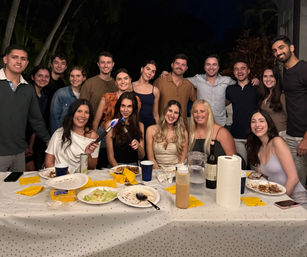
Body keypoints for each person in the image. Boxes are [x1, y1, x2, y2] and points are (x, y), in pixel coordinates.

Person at [0, 45, 50, 172]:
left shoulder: (28, 89)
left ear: (27, 63)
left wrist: (48, 140)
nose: (19, 61)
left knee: (16, 190)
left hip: (19, 153)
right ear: (5, 59)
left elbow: (36, 119)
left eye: (23, 59)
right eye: (14, 57)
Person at [271, 35, 307, 188]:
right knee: (296, 184)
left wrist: (306, 138)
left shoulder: (304, 69)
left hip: (304, 137)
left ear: (291, 48)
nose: (278, 52)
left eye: (281, 48)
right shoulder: (285, 72)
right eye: (274, 50)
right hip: (292, 135)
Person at [246, 110, 306, 196]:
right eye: (253, 122)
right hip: (274, 194)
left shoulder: (277, 142)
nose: (257, 125)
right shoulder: (258, 148)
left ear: (269, 124)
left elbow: (294, 179)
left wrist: (280, 199)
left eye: (261, 121)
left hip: (294, 197)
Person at [45, 99, 100, 173]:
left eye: (86, 112)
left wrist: (87, 154)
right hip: (58, 176)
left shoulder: (93, 137)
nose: (83, 115)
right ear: (72, 113)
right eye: (79, 111)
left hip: (80, 179)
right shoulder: (59, 133)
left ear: (89, 116)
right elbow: (48, 162)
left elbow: (92, 168)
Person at [226, 60, 258, 164]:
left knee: (255, 167)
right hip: (237, 136)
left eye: (243, 68)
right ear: (234, 72)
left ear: (248, 71)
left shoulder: (257, 87)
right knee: (241, 166)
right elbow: (221, 104)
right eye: (236, 69)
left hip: (255, 135)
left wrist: (259, 80)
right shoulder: (230, 89)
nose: (239, 71)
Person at [153, 54, 196, 128]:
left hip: (181, 128)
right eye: (177, 63)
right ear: (172, 65)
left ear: (186, 68)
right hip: (162, 127)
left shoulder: (188, 85)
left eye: (183, 65)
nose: (179, 66)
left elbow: (198, 101)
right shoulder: (160, 81)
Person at [106, 92, 145, 166]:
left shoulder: (140, 125)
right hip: (116, 166)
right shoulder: (111, 124)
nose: (125, 110)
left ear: (134, 108)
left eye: (129, 106)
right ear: (119, 107)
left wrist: (138, 146)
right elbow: (110, 157)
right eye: (123, 106)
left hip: (134, 167)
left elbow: (141, 156)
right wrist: (120, 171)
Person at [146, 100, 188, 169]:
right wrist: (160, 173)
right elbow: (151, 158)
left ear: (179, 116)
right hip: (157, 171)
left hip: (176, 172)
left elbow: (181, 160)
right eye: (170, 110)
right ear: (165, 111)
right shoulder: (151, 130)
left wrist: (173, 174)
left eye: (176, 113)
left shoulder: (183, 132)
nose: (172, 115)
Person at [25, 66, 51, 170]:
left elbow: (37, 122)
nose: (43, 79)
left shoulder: (44, 96)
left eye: (46, 76)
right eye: (40, 76)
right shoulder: (26, 93)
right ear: (32, 77)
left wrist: (30, 145)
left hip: (32, 139)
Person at [50, 66, 87, 135]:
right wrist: (56, 138)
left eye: (78, 76)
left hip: (79, 136)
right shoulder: (61, 94)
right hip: (62, 135)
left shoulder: (86, 95)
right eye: (72, 76)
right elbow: (54, 119)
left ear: (84, 78)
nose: (75, 79)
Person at [132, 60, 160, 132]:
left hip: (150, 127)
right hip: (133, 125)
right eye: (148, 69)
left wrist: (159, 130)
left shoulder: (155, 91)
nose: (150, 73)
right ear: (142, 69)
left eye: (153, 71)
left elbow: (156, 114)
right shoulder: (130, 87)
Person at [257, 67, 287, 132]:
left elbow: (291, 118)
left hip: (281, 134)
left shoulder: (282, 96)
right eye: (265, 76)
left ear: (276, 78)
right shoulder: (264, 95)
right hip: (269, 133)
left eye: (271, 76)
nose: (268, 79)